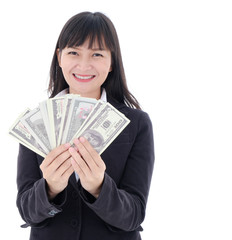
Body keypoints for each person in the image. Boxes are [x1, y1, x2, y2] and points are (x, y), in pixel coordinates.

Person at [16, 11, 154, 240]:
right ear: (59, 57)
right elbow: (27, 212)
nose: (83, 65)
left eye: (97, 54)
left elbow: (134, 215)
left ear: (112, 62)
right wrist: (50, 187)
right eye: (73, 52)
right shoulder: (37, 122)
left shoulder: (136, 124)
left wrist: (99, 187)